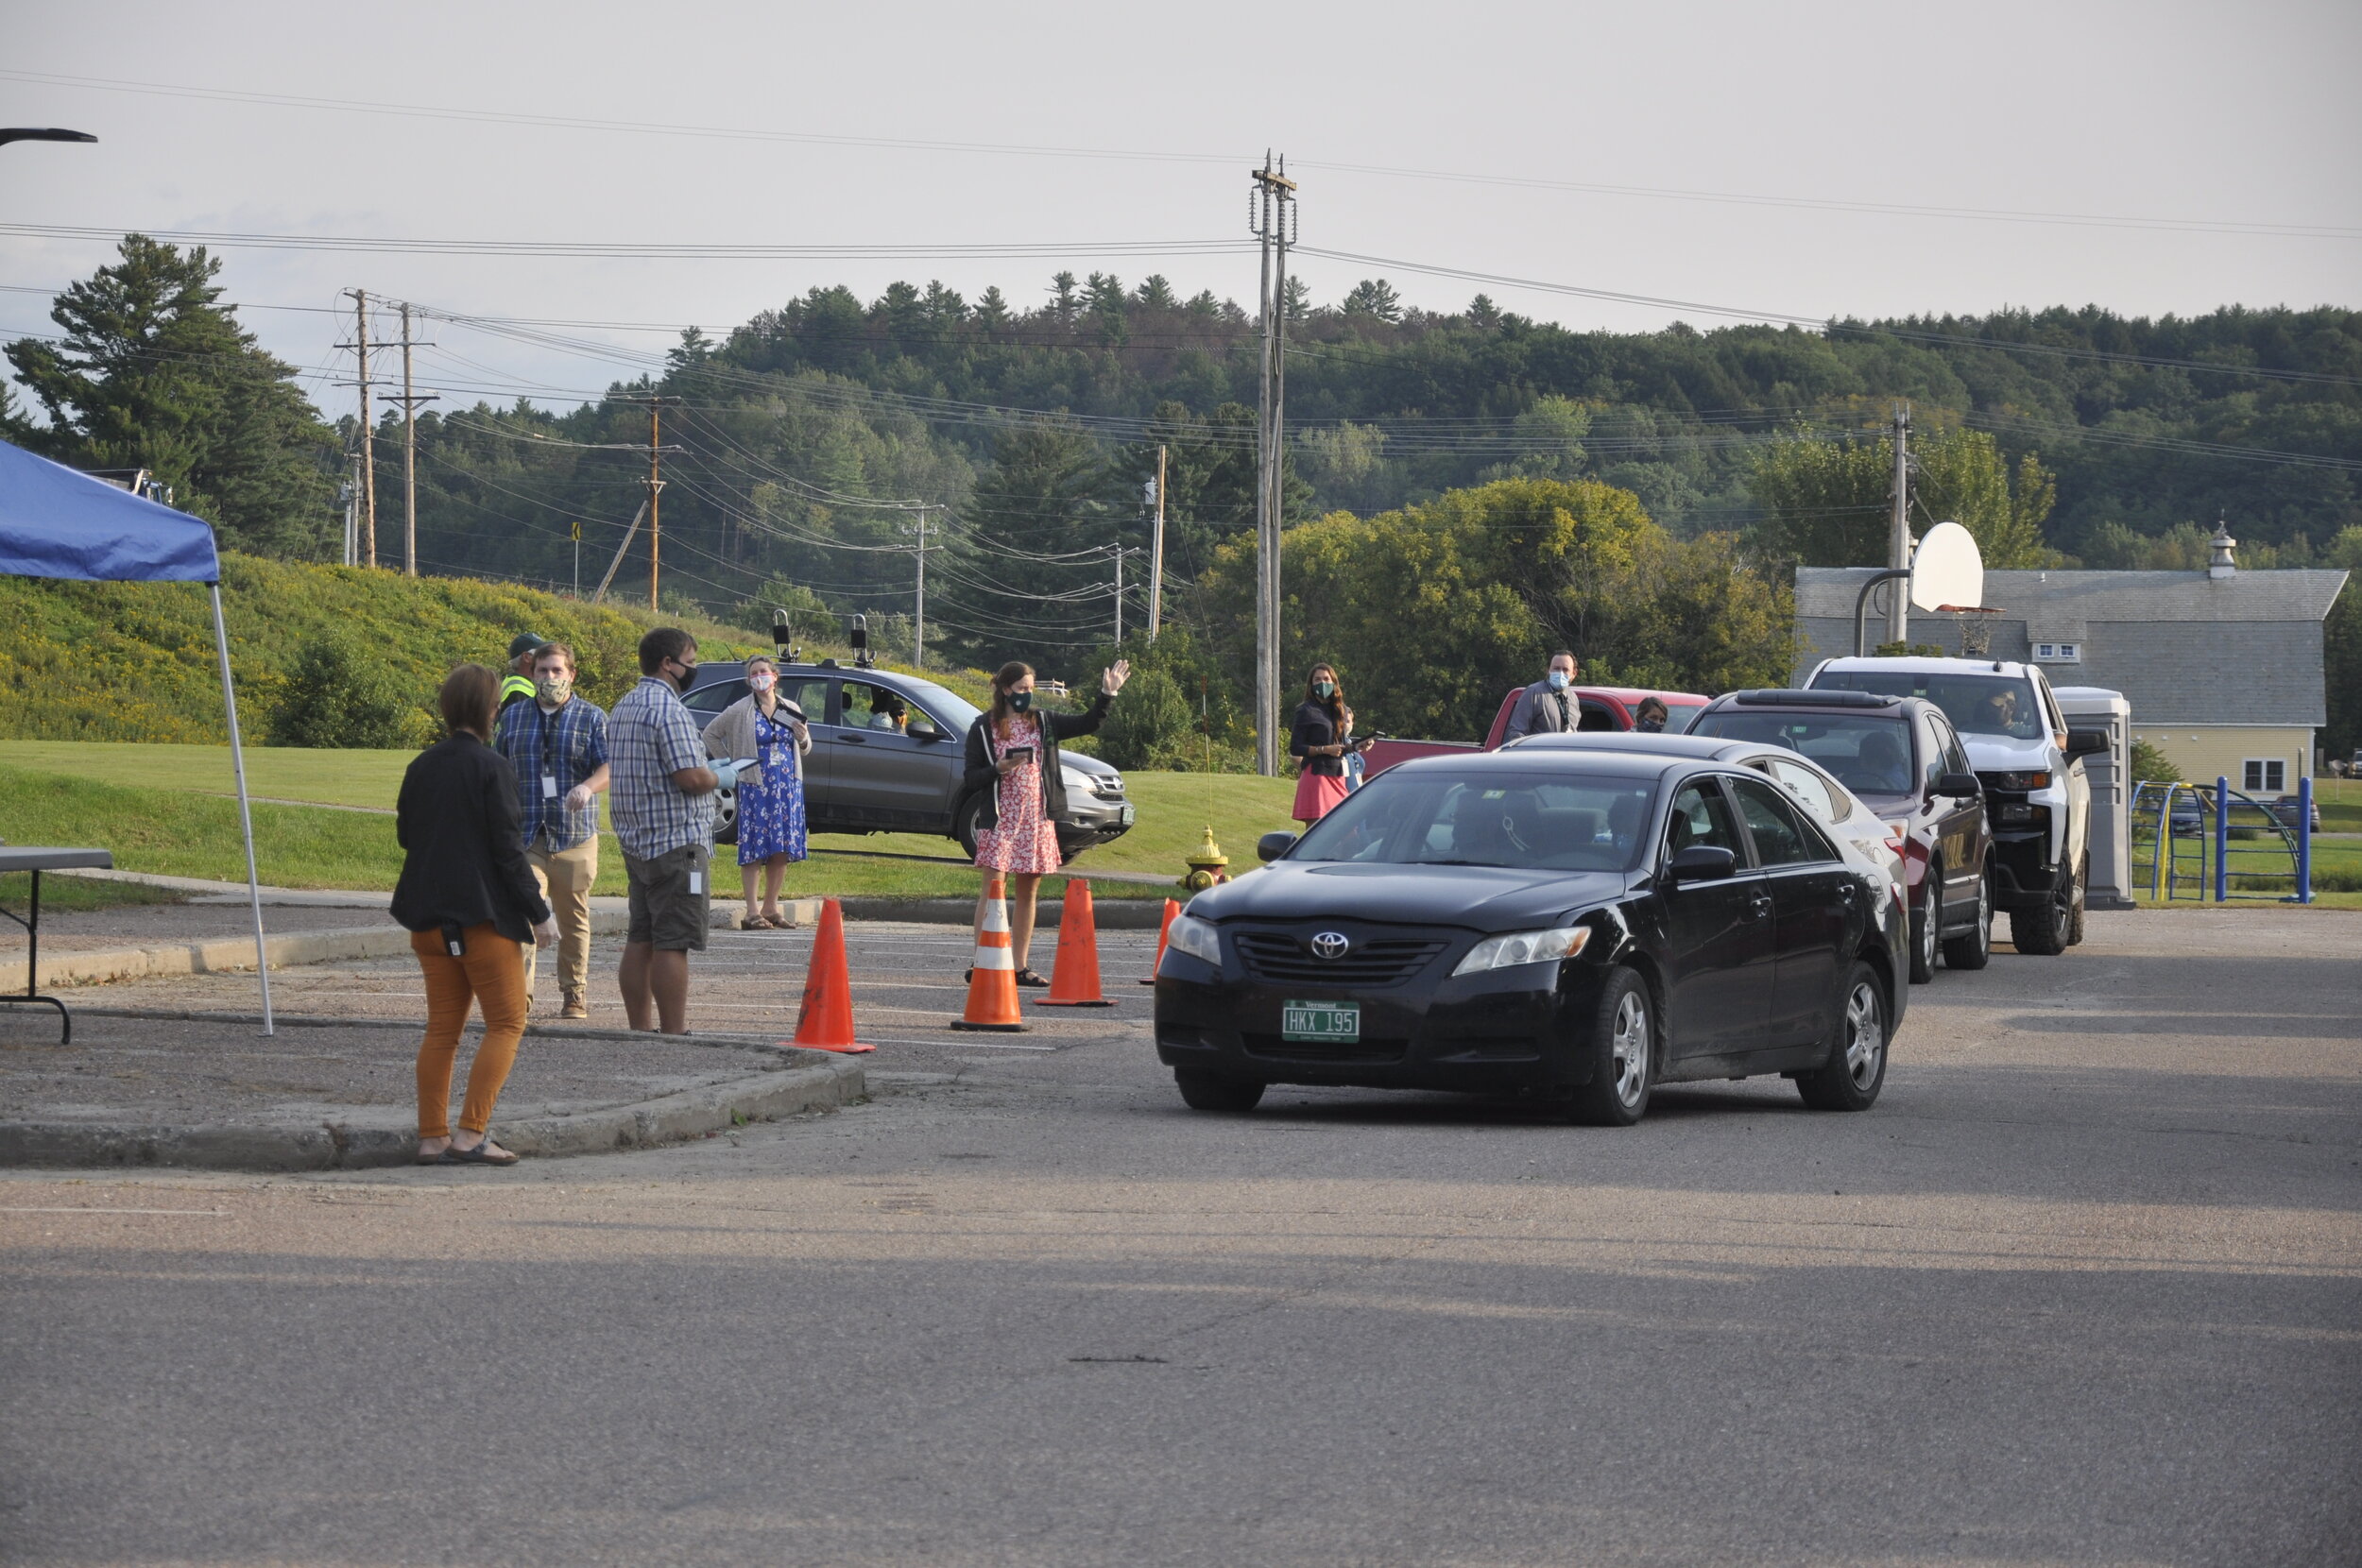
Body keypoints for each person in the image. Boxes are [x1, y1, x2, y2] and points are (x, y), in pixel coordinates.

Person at [390, 664, 557, 1167]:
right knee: (507, 1022)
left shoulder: (421, 765)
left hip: (426, 918)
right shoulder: (492, 767)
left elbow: (406, 835)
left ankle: (431, 1136)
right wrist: (540, 912)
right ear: (491, 711)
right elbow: (509, 851)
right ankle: (471, 1133)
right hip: (482, 920)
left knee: (442, 1030)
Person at [962, 657, 1130, 984]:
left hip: (1036, 819)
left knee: (1029, 892)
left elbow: (1088, 724)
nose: (1026, 693)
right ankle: (983, 960)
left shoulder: (1043, 722)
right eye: (1021, 688)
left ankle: (1018, 966)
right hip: (1000, 820)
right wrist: (999, 768)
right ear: (1006, 689)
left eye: (1030, 688)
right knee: (993, 890)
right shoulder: (983, 728)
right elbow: (970, 779)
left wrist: (1107, 695)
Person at [607, 627, 719, 1033]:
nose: (694, 669)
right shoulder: (669, 710)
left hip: (637, 842)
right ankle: (673, 1032)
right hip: (676, 844)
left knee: (641, 938)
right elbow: (690, 777)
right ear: (667, 664)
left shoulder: (624, 705)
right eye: (690, 661)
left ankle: (640, 1027)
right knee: (674, 942)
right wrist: (718, 777)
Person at [493, 641, 608, 1019]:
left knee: (573, 917)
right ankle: (518, 999)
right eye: (543, 670)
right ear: (532, 672)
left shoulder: (592, 717)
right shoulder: (513, 717)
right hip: (526, 834)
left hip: (574, 834)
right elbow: (498, 769)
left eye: (557, 671)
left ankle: (574, 993)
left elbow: (609, 767)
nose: (549, 678)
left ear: (571, 674)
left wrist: (587, 787)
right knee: (526, 911)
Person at [701, 655, 811, 929]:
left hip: (787, 786)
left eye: (764, 671)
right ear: (749, 681)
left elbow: (806, 747)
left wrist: (803, 737)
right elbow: (710, 734)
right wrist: (732, 764)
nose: (759, 677)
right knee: (754, 848)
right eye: (754, 674)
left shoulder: (790, 708)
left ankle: (771, 907)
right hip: (756, 786)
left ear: (775, 676)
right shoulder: (741, 710)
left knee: (781, 848)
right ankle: (752, 911)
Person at [1290, 663, 1366, 826]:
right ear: (1311, 685)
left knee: (1347, 831)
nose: (1322, 683)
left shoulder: (1339, 710)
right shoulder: (1305, 710)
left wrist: (1359, 746)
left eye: (1326, 679)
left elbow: (1341, 747)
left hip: (1338, 776)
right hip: (1317, 776)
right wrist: (1323, 749)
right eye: (1317, 679)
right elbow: (1296, 747)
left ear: (1334, 683)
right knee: (1317, 831)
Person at [1503, 651, 1583, 741]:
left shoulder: (1573, 698)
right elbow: (1517, 733)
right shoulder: (1533, 693)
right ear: (1548, 670)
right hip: (1540, 753)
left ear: (1574, 674)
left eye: (1565, 669)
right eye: (1556, 669)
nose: (1560, 673)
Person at [500, 632, 547, 710]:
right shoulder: (518, 689)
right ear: (526, 657)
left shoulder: (515, 682)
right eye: (541, 653)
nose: (546, 657)